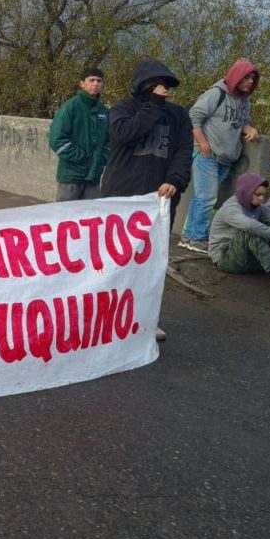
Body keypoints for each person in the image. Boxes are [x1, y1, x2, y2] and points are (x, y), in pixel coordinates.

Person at [100, 59, 193, 342]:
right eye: (153, 83)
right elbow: (125, 134)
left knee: (150, 265)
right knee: (114, 261)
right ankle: (106, 318)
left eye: (163, 84)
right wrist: (152, 106)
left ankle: (144, 320)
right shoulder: (123, 110)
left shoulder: (178, 116)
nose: (159, 88)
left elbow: (184, 153)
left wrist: (175, 181)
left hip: (158, 203)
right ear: (141, 85)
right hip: (120, 199)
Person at [178, 59, 261, 254]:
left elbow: (243, 122)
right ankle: (198, 238)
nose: (249, 82)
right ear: (236, 76)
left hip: (227, 157)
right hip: (209, 154)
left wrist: (249, 128)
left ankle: (189, 237)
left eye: (252, 78)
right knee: (206, 198)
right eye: (246, 77)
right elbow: (194, 117)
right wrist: (204, 145)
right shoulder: (216, 93)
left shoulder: (243, 100)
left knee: (202, 198)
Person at [48, 67, 109, 201]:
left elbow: (109, 141)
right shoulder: (70, 107)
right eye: (91, 80)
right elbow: (57, 139)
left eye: (99, 81)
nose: (95, 84)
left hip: (93, 177)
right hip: (71, 177)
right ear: (82, 83)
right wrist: (82, 157)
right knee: (66, 217)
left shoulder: (104, 111)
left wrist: (101, 159)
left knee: (89, 217)